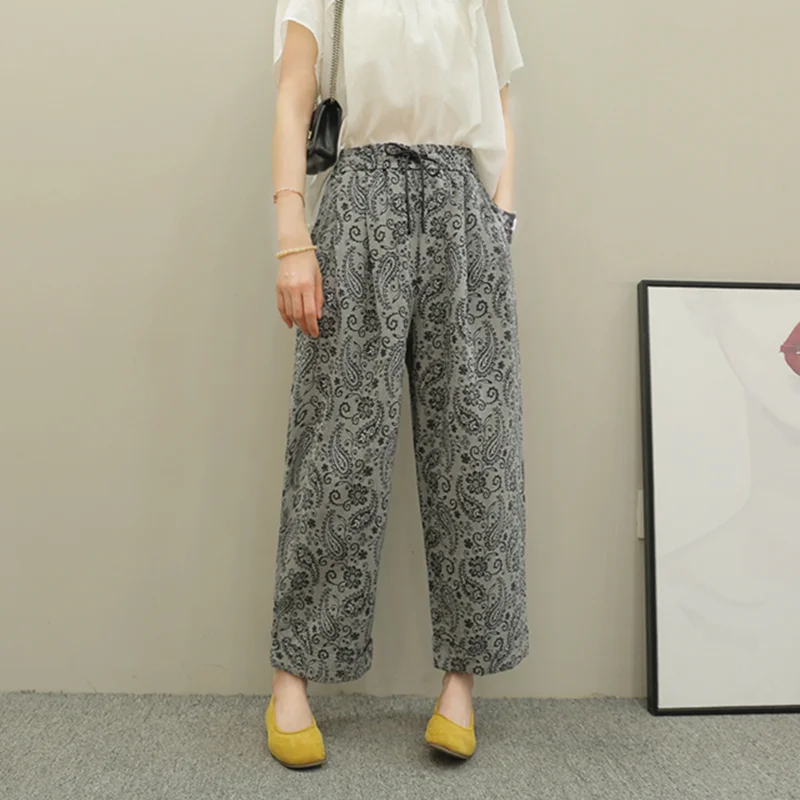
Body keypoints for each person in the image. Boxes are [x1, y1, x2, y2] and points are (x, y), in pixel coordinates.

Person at [267, 0, 529, 768]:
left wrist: (501, 218)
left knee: (473, 449)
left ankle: (460, 686)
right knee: (336, 452)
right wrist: (291, 235)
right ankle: (291, 680)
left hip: (461, 208)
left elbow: (500, 94)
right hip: (359, 198)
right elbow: (294, 92)